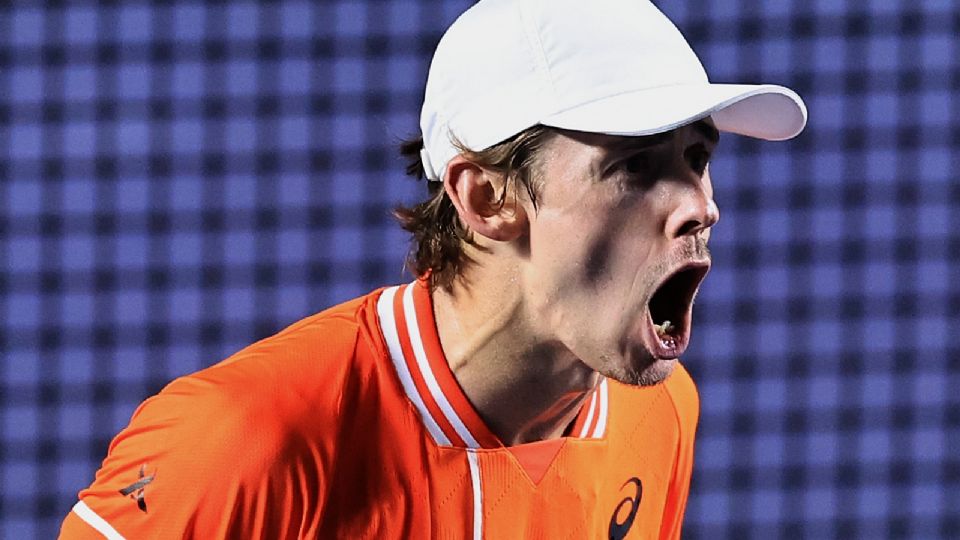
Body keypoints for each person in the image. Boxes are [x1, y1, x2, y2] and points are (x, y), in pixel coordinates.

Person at [59, 0, 806, 538]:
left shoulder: (662, 412)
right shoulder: (243, 442)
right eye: (637, 167)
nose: (701, 206)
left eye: (697, 157)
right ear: (486, 198)